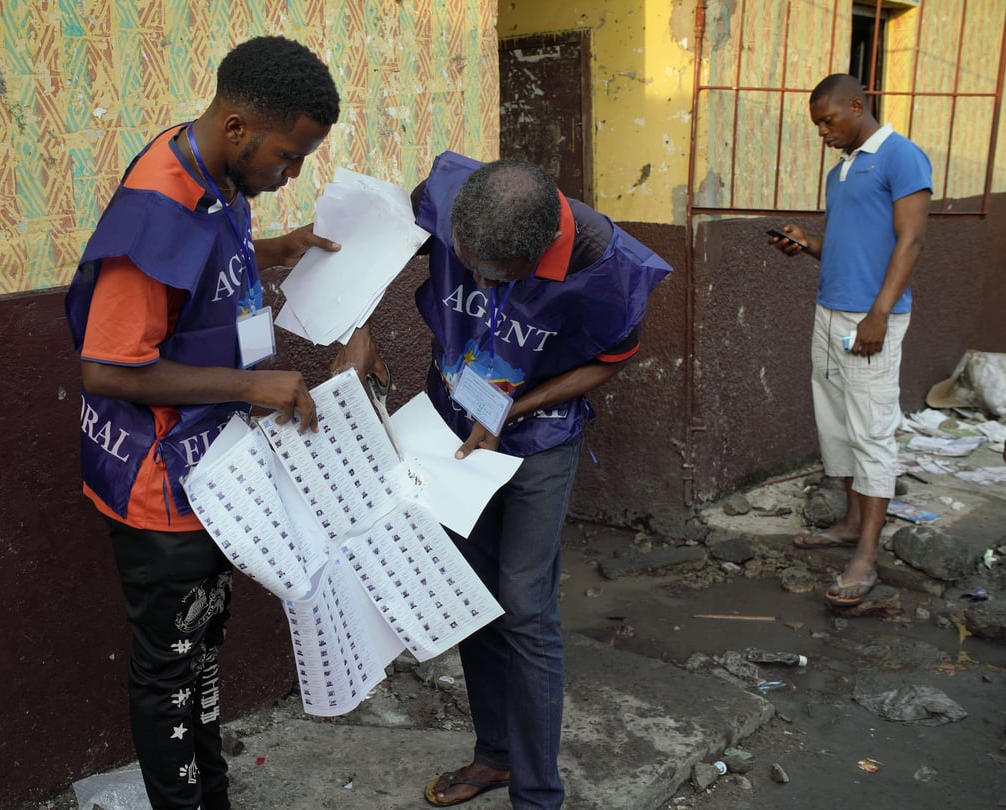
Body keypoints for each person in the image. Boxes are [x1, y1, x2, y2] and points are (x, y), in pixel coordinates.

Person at [337, 154, 672, 809]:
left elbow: (609, 361)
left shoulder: (610, 270)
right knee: (473, 596)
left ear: (538, 253)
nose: (480, 284)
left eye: (496, 277)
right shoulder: (446, 194)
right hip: (446, 436)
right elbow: (373, 245)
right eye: (467, 263)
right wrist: (358, 328)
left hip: (536, 443)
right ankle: (493, 757)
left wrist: (511, 411)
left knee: (523, 607)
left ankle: (538, 794)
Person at [64, 36, 340, 810]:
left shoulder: (212, 172)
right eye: (287, 157)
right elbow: (107, 366)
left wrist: (275, 250)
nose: (289, 175)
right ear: (240, 127)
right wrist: (252, 389)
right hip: (160, 488)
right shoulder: (158, 204)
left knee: (198, 660)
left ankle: (206, 793)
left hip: (209, 468)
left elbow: (200, 266)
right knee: (173, 667)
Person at [769, 73, 931, 607]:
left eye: (828, 120)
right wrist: (806, 244)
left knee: (873, 433)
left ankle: (867, 555)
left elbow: (910, 242)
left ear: (858, 106)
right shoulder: (842, 171)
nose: (822, 132)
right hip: (830, 313)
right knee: (836, 422)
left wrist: (879, 315)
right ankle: (848, 523)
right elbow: (849, 244)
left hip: (870, 318)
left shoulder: (901, 156)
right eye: (817, 124)